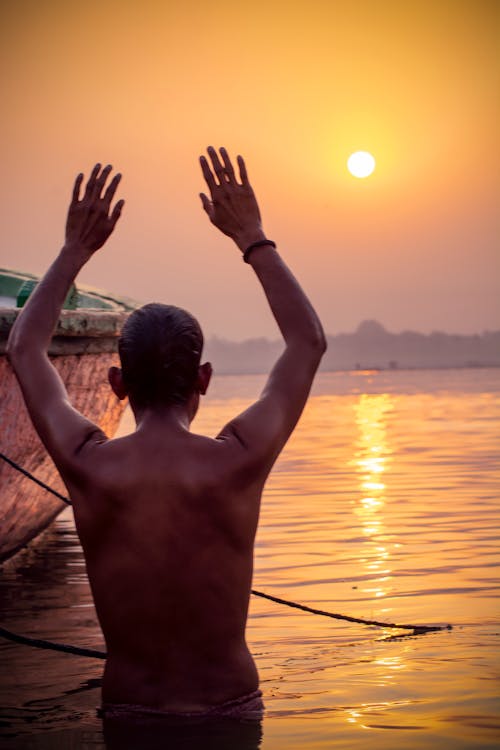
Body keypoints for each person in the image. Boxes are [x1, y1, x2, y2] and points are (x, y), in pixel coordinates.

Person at [7, 148, 326, 723]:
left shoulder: (87, 463)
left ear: (116, 383)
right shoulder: (238, 459)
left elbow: (24, 348)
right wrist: (252, 237)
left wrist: (75, 250)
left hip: (131, 712)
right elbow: (307, 343)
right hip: (229, 711)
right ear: (203, 377)